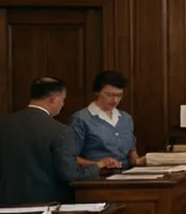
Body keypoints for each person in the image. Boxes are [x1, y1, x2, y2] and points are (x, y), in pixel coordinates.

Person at [0, 77, 97, 206]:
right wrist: (96, 168)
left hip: (5, 203)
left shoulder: (4, 124)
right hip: (47, 205)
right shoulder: (60, 131)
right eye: (63, 100)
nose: (62, 105)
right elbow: (70, 174)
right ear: (53, 99)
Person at [70, 70, 142, 171]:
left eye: (119, 95)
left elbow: (131, 151)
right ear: (97, 92)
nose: (115, 100)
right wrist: (99, 164)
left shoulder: (126, 118)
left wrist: (138, 160)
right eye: (110, 95)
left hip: (126, 172)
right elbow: (71, 157)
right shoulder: (81, 119)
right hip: (97, 175)